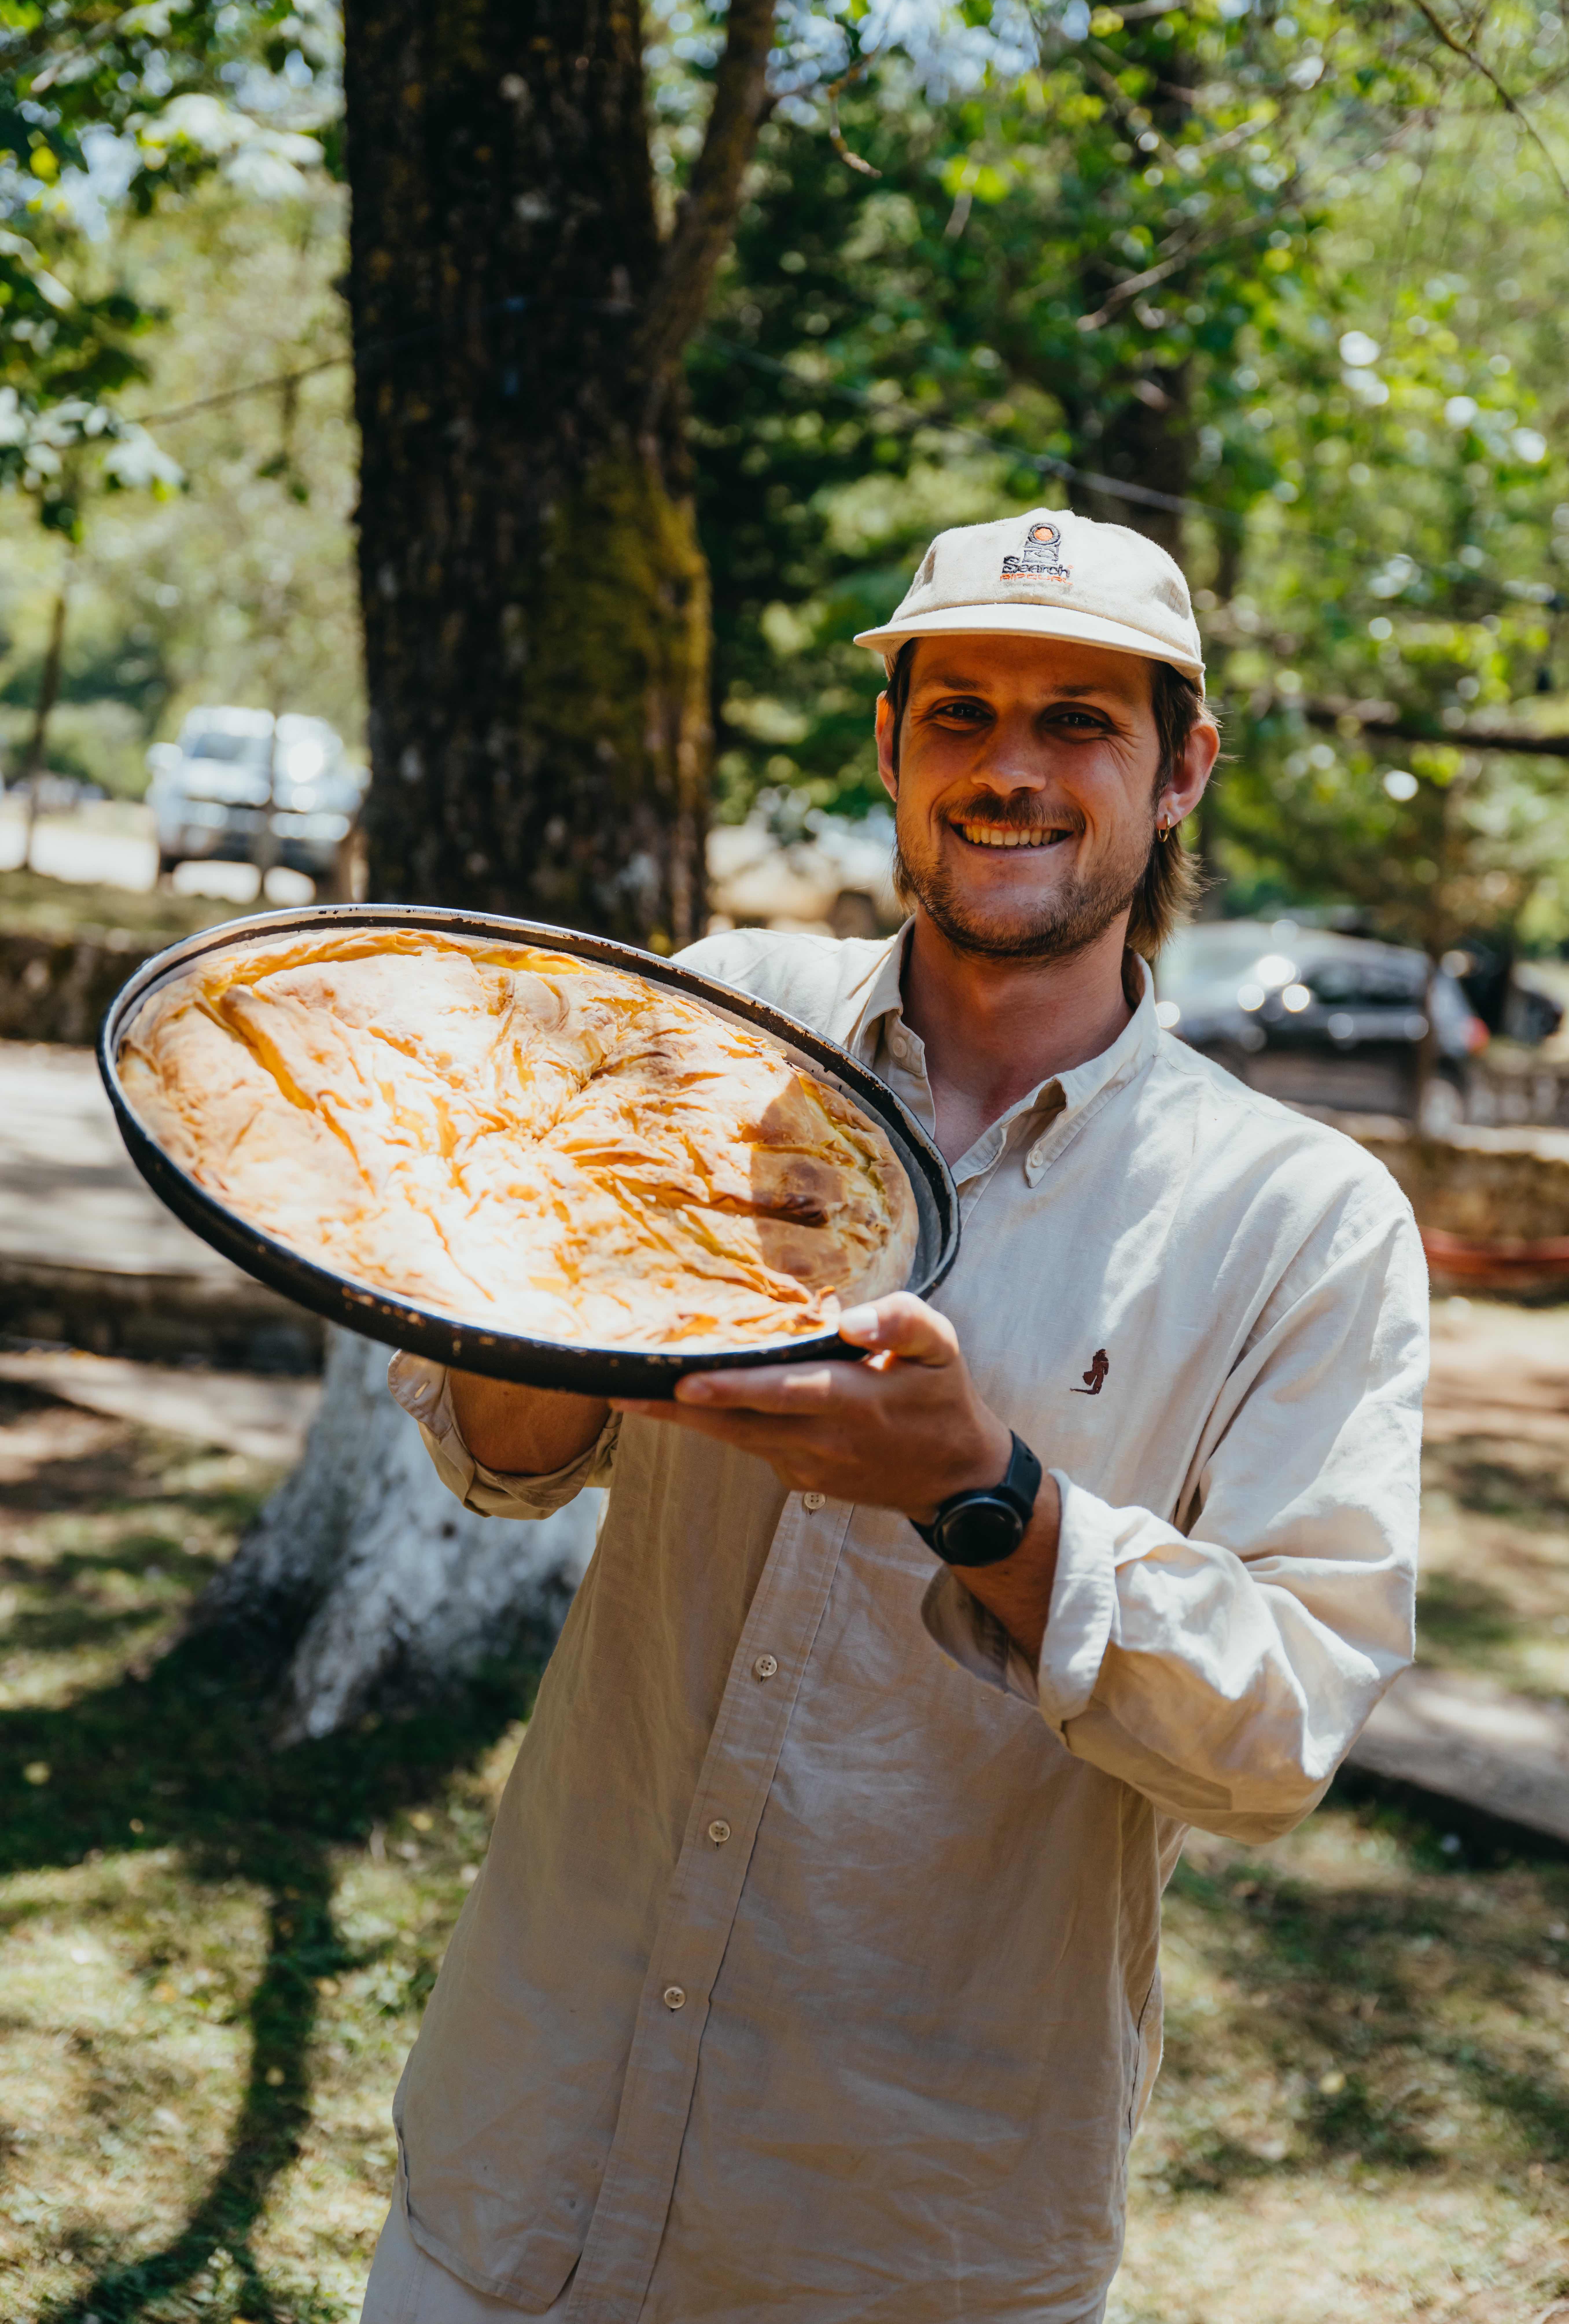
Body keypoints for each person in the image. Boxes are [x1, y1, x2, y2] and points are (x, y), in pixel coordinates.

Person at [363, 509, 1426, 2324]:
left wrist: (981, 1493)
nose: (1010, 770)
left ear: (1184, 769)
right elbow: (503, 1458)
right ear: (891, 747)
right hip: (518, 2165)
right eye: (961, 715)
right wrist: (580, 1284)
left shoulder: (1301, 1222)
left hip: (906, 2228)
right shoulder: (722, 1023)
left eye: (1079, 721)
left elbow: (1278, 1723)